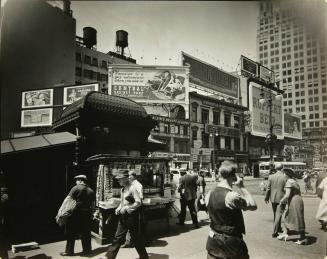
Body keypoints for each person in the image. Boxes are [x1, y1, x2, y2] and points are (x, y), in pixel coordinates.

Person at [205, 160, 257, 259]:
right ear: (234, 176)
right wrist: (242, 187)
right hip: (230, 243)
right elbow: (253, 205)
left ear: (219, 174)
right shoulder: (232, 196)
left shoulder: (209, 194)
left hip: (213, 240)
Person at [105, 170, 148, 259]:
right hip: (123, 217)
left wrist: (127, 208)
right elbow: (122, 202)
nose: (118, 181)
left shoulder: (133, 188)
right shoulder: (123, 189)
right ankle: (110, 257)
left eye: (120, 179)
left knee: (136, 238)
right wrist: (119, 208)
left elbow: (138, 202)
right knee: (117, 237)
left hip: (132, 218)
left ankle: (144, 257)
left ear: (125, 179)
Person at [60, 175, 95, 256]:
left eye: (76, 180)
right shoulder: (91, 190)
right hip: (86, 214)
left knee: (71, 232)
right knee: (86, 233)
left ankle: (69, 251)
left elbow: (68, 199)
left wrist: (62, 211)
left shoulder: (75, 188)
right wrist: (92, 213)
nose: (76, 182)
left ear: (80, 180)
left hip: (75, 214)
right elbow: (93, 204)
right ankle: (87, 251)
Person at [277, 168, 307, 245]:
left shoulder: (289, 182)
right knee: (289, 217)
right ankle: (287, 233)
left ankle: (302, 238)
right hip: (298, 199)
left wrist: (281, 201)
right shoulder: (294, 181)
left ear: (286, 174)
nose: (283, 175)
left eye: (283, 174)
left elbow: (287, 195)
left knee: (296, 218)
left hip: (294, 201)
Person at [264, 162, 287, 238]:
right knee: (279, 214)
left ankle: (278, 228)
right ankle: (275, 232)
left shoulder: (271, 176)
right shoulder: (285, 177)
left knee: (275, 214)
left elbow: (268, 188)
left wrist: (266, 197)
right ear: (282, 168)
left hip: (273, 198)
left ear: (275, 168)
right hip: (282, 198)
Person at [122, 170, 144, 248]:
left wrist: (131, 202)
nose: (128, 177)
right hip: (130, 208)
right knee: (130, 227)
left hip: (134, 208)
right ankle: (130, 242)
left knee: (133, 227)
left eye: (129, 176)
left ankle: (133, 242)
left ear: (133, 176)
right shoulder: (130, 185)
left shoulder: (137, 185)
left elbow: (140, 197)